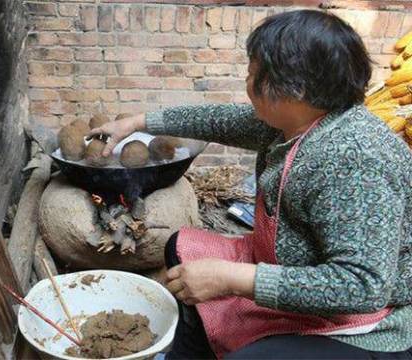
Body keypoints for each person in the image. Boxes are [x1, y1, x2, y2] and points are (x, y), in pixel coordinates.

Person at [87, 10, 412, 360]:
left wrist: (232, 278)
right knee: (181, 248)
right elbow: (218, 120)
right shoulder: (299, 119)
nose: (248, 81)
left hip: (367, 324)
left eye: (253, 73)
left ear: (295, 89)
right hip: (294, 269)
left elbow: (362, 286)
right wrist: (137, 123)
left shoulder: (354, 159)